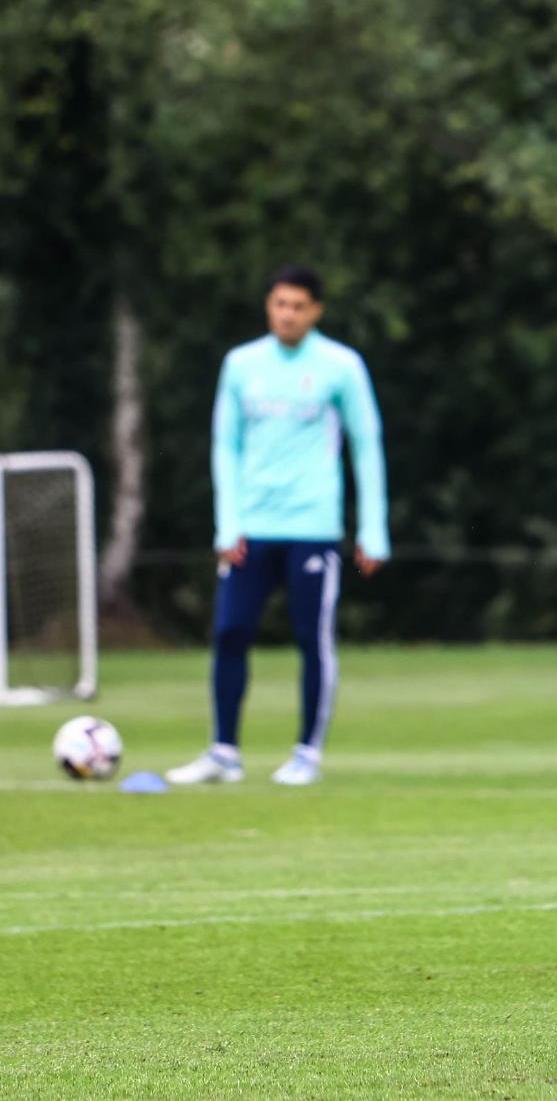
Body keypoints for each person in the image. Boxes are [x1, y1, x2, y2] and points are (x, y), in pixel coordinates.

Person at [166, 266, 390, 787]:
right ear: (268, 306)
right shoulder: (241, 364)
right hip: (251, 526)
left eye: (298, 305)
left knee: (312, 638)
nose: (287, 314)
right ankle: (223, 752)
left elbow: (366, 444)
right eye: (279, 304)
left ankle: (307, 753)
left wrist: (373, 529)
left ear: (316, 311)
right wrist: (227, 525)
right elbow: (225, 445)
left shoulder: (340, 366)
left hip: (313, 526)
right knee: (230, 632)